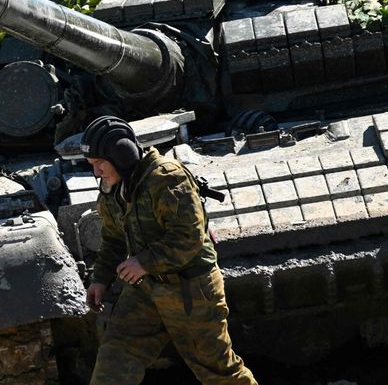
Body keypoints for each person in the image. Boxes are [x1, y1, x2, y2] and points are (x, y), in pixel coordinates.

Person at [81, 115, 257, 385]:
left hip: (190, 290)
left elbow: (189, 237)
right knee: (116, 357)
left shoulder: (166, 179)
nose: (96, 173)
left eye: (99, 164)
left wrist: (144, 262)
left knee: (218, 372)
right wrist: (101, 279)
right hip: (146, 290)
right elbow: (114, 239)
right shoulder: (114, 188)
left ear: (121, 155)